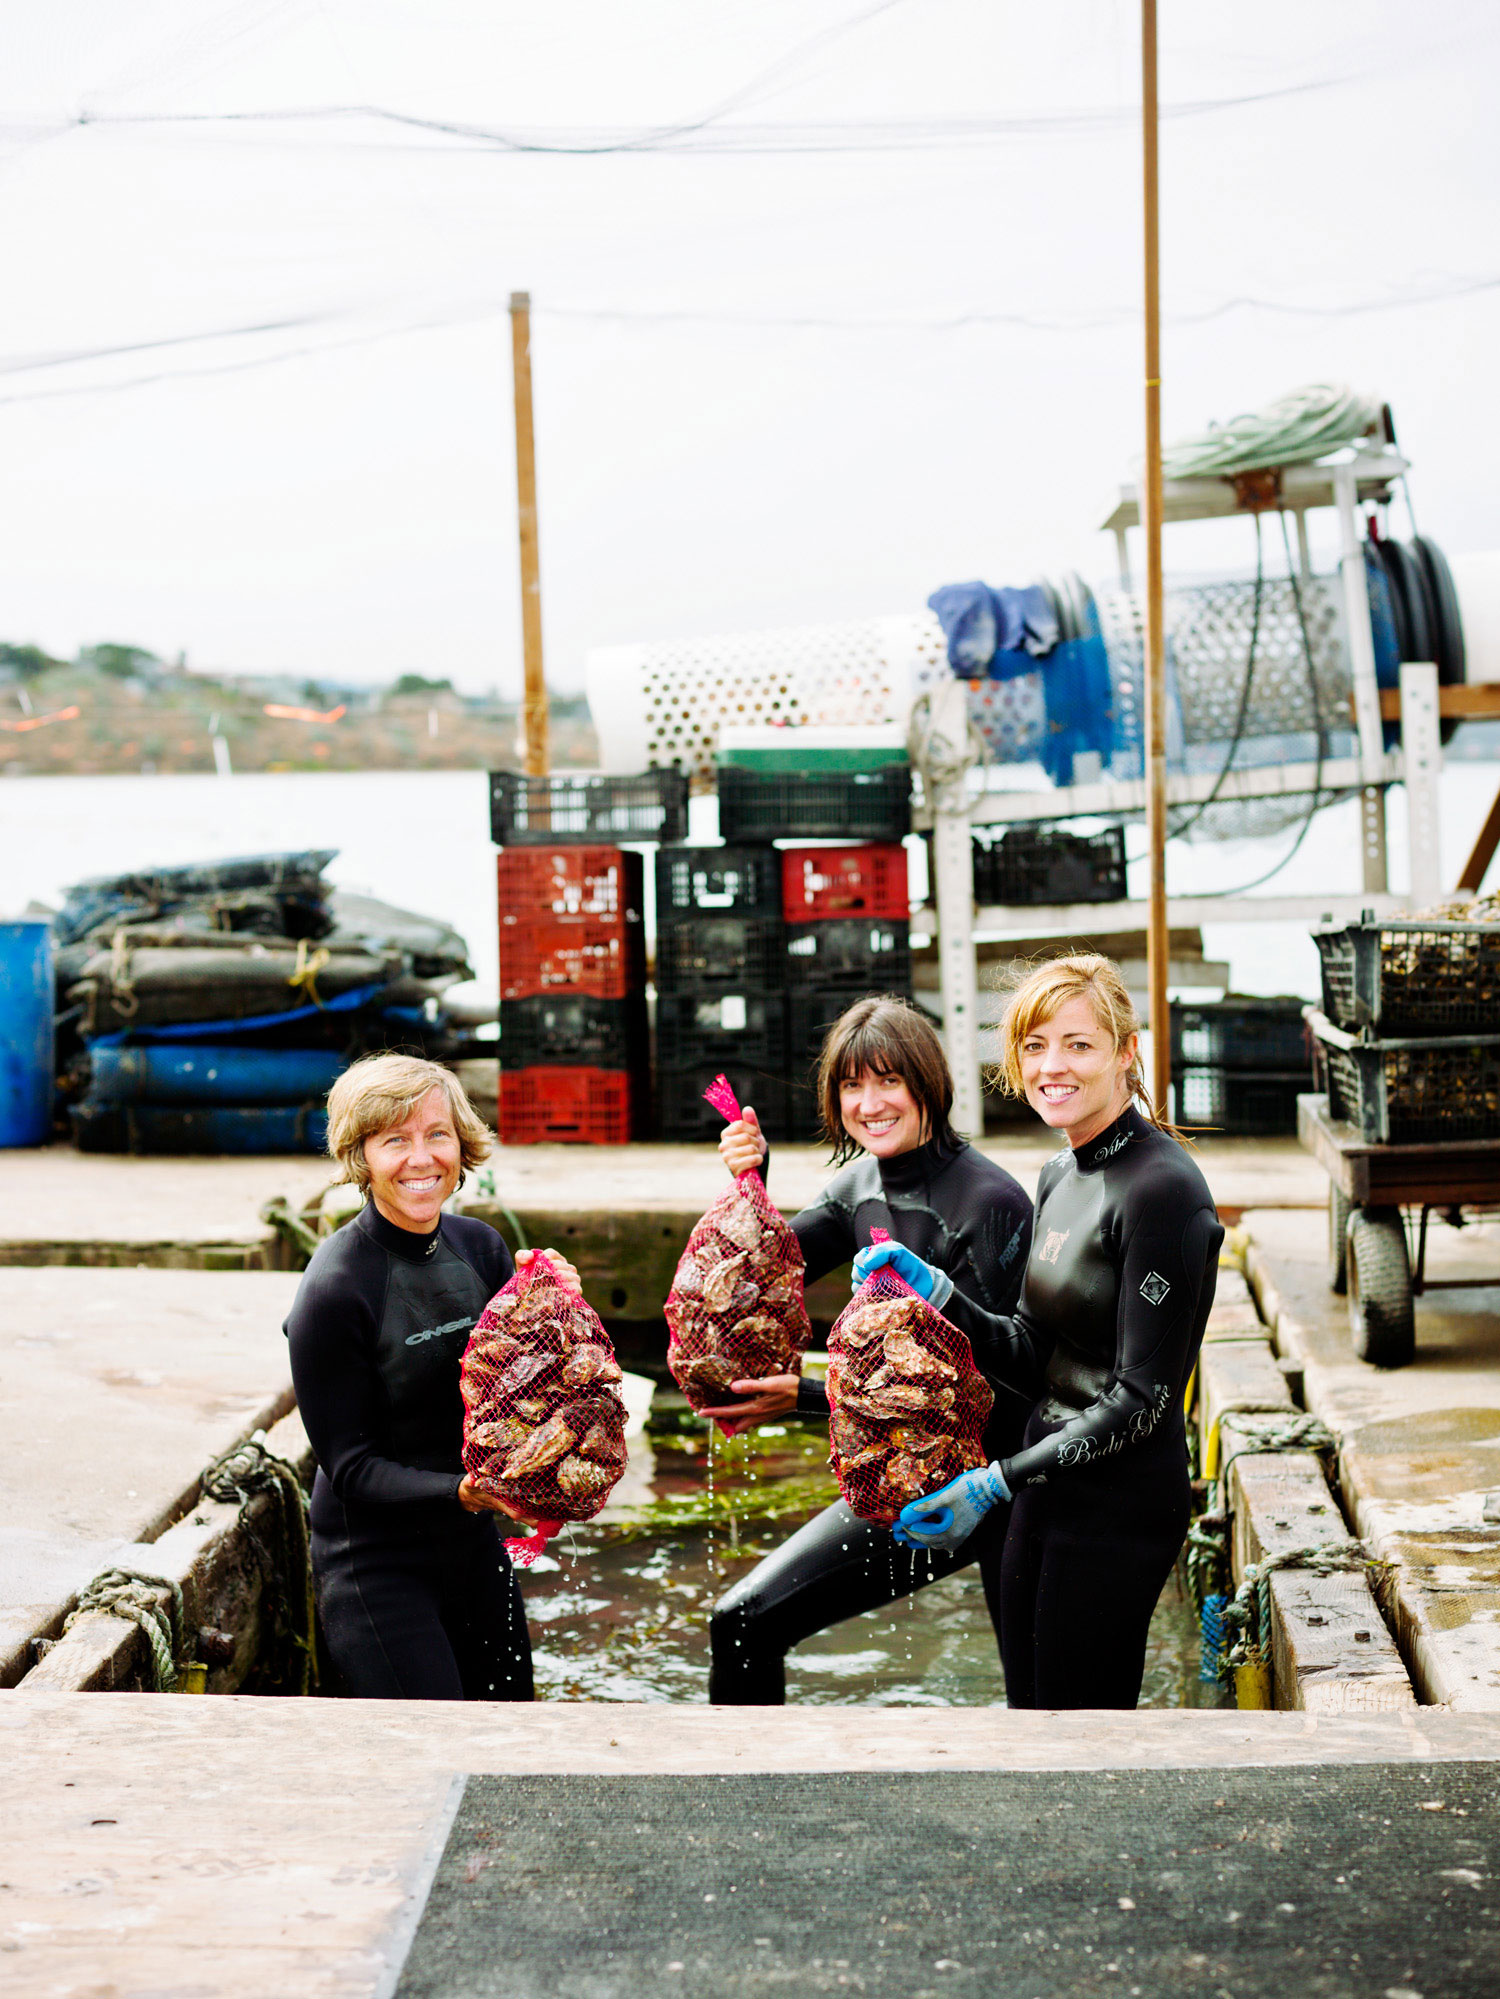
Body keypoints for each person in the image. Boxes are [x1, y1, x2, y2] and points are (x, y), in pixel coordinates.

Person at [892, 954, 1223, 1710]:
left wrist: (995, 1479)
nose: (1053, 1066)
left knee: (1080, 1748)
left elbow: (1143, 1398)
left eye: (1078, 1044)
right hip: (1044, 1484)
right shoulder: (1057, 1174)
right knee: (1028, 1726)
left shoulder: (1162, 1189)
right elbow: (1033, 1348)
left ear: (1125, 1052)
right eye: (1035, 1044)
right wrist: (938, 1293)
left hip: (1119, 1503)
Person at [700, 995, 1034, 1703]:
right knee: (739, 1623)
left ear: (928, 1083)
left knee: (1036, 1709)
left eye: (888, 1080)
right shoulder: (858, 1187)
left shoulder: (991, 1201)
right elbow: (760, 1279)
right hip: (902, 1484)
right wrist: (752, 1178)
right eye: (852, 1084)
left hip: (994, 1489)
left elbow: (999, 1378)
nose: (870, 1102)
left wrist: (809, 1395)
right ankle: (744, 1803)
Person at [286, 1052, 584, 1702]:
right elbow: (352, 1467)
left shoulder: (480, 1248)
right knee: (435, 1755)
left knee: (511, 1740)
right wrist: (463, 1490)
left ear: (461, 1141)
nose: (421, 1158)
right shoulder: (335, 1289)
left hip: (474, 1545)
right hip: (375, 1564)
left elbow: (525, 1397)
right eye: (395, 1139)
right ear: (361, 1154)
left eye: (436, 1134)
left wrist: (561, 1310)